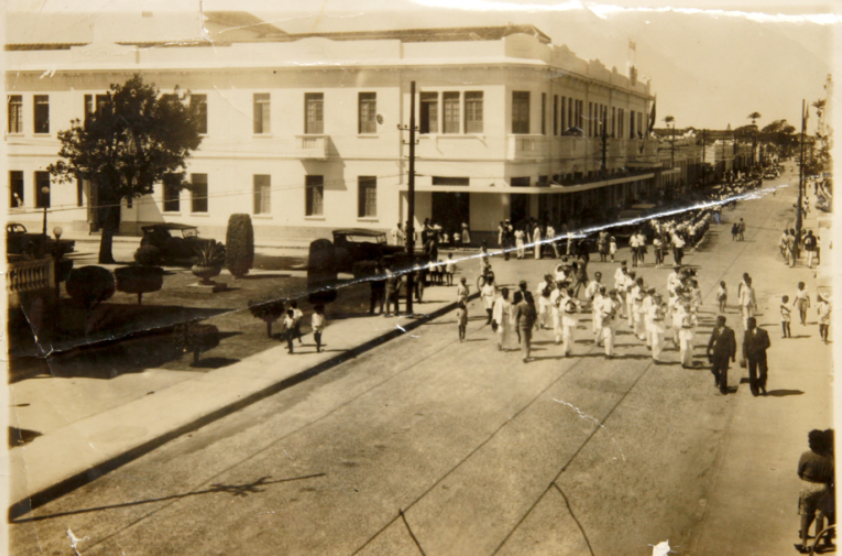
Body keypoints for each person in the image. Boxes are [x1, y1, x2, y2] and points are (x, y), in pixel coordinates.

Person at [795, 429, 835, 554]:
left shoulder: (806, 455)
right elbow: (831, 475)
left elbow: (800, 472)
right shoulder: (829, 458)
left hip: (808, 485)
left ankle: (804, 542)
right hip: (823, 486)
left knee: (805, 513)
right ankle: (816, 544)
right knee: (820, 515)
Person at [707, 316, 736, 394]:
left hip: (725, 354)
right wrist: (708, 350)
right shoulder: (715, 329)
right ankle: (718, 379)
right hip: (716, 353)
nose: (716, 322)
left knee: (724, 371)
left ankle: (723, 388)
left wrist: (733, 355)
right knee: (714, 370)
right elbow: (711, 340)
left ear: (722, 322)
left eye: (717, 321)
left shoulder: (729, 331)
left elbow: (732, 344)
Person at [742, 317, 771, 396]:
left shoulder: (763, 332)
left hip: (761, 355)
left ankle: (761, 384)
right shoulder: (747, 333)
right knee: (752, 373)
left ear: (754, 323)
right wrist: (744, 356)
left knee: (763, 372)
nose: (748, 325)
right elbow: (744, 345)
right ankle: (754, 390)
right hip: (751, 356)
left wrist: (758, 348)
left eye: (749, 323)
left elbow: (767, 343)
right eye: (747, 323)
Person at [513, 285, 537, 362]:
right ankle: (524, 356)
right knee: (523, 339)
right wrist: (516, 325)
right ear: (525, 298)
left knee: (528, 339)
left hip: (530, 324)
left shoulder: (532, 305)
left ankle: (528, 353)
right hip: (522, 324)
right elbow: (516, 316)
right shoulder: (519, 305)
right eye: (528, 297)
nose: (530, 298)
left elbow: (534, 315)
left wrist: (536, 323)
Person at [676, 300, 697, 368]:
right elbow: (678, 324)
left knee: (690, 349)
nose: (687, 309)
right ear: (684, 308)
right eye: (685, 308)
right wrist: (682, 325)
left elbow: (696, 323)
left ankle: (689, 363)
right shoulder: (681, 315)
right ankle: (683, 361)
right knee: (684, 348)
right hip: (683, 333)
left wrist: (692, 324)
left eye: (688, 307)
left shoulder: (693, 315)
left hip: (690, 333)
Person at [560, 287, 580, 357]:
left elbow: (579, 310)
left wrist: (574, 309)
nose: (570, 293)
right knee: (566, 335)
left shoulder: (576, 300)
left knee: (572, 336)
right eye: (569, 292)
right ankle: (566, 350)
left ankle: (570, 350)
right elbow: (561, 309)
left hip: (573, 320)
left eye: (571, 292)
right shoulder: (564, 300)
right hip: (566, 319)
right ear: (567, 293)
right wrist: (566, 309)